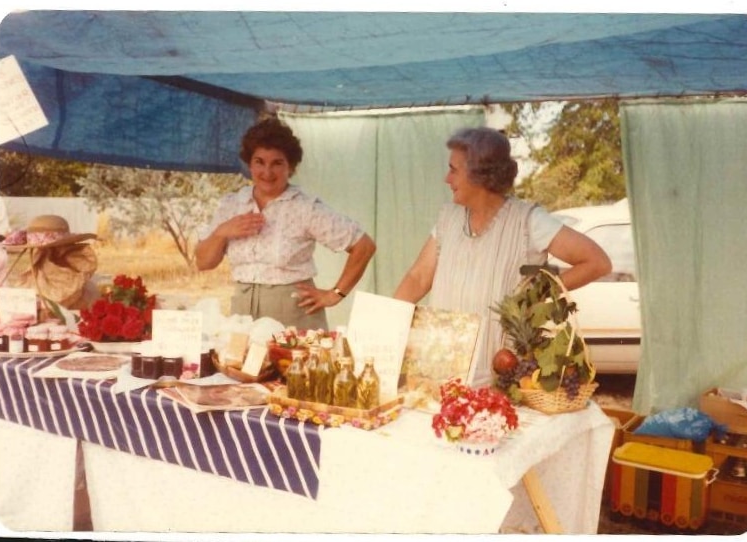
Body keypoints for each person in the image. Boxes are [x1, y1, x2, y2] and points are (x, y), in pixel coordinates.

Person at [394, 127, 612, 387]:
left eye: (453, 170)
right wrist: (385, 322)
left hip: (498, 368)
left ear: (480, 174)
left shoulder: (528, 220)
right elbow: (418, 278)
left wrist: (537, 298)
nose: (446, 179)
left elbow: (597, 262)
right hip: (442, 367)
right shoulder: (447, 218)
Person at [196, 117, 376, 330]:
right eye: (259, 162)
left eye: (277, 163)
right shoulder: (232, 205)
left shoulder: (305, 208)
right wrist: (221, 232)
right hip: (242, 315)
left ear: (290, 167)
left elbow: (364, 246)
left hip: (294, 316)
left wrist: (335, 294)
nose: (267, 172)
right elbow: (203, 263)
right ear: (249, 164)